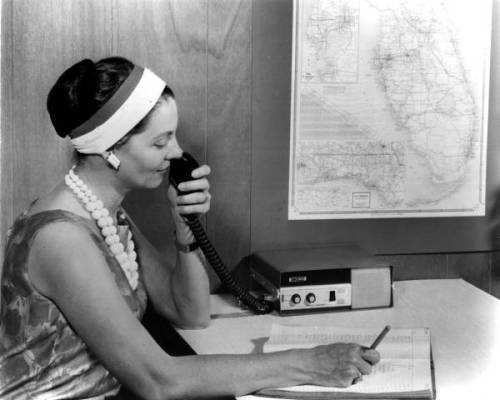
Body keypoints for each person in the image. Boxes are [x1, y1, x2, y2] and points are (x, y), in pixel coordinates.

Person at [0, 56, 380, 400]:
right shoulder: (62, 239)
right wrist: (309, 363)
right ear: (109, 151)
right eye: (160, 142)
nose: (177, 153)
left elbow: (190, 313)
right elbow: (159, 380)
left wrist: (185, 228)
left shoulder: (104, 213)